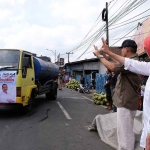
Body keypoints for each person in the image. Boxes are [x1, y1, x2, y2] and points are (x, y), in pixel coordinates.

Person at [98, 36, 150, 150]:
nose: (121, 51)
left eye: (122, 49)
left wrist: (100, 56)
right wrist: (108, 53)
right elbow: (121, 62)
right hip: (128, 100)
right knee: (125, 130)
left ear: (126, 49)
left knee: (124, 132)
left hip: (126, 101)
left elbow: (112, 66)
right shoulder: (135, 61)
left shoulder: (133, 62)